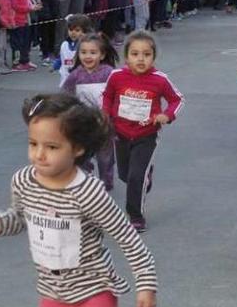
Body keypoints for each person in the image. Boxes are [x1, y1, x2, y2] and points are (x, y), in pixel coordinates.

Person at [0, 93, 156, 307]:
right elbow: (21, 216)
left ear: (77, 149)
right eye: (33, 144)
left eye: (51, 147)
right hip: (52, 293)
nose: (39, 155)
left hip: (94, 292)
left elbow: (127, 238)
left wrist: (146, 282)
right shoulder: (23, 180)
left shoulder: (88, 192)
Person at [101, 31, 183, 232]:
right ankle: (145, 175)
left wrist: (167, 115)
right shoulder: (116, 76)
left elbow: (177, 99)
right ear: (126, 56)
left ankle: (135, 216)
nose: (140, 59)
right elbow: (107, 96)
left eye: (146, 54)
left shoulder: (159, 80)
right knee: (125, 175)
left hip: (146, 135)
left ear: (153, 57)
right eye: (135, 54)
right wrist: (104, 116)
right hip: (120, 133)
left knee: (136, 176)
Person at [61, 33, 119, 190]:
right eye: (83, 52)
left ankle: (106, 182)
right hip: (84, 123)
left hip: (105, 123)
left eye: (93, 53)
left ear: (102, 55)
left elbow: (119, 93)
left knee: (105, 157)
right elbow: (66, 96)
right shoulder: (76, 75)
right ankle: (85, 180)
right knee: (81, 154)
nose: (88, 56)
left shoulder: (109, 73)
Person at [57, 14, 92, 86]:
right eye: (70, 30)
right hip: (65, 78)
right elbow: (61, 58)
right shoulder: (64, 44)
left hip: (81, 80)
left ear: (84, 31)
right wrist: (55, 66)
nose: (73, 32)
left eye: (77, 30)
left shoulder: (87, 47)